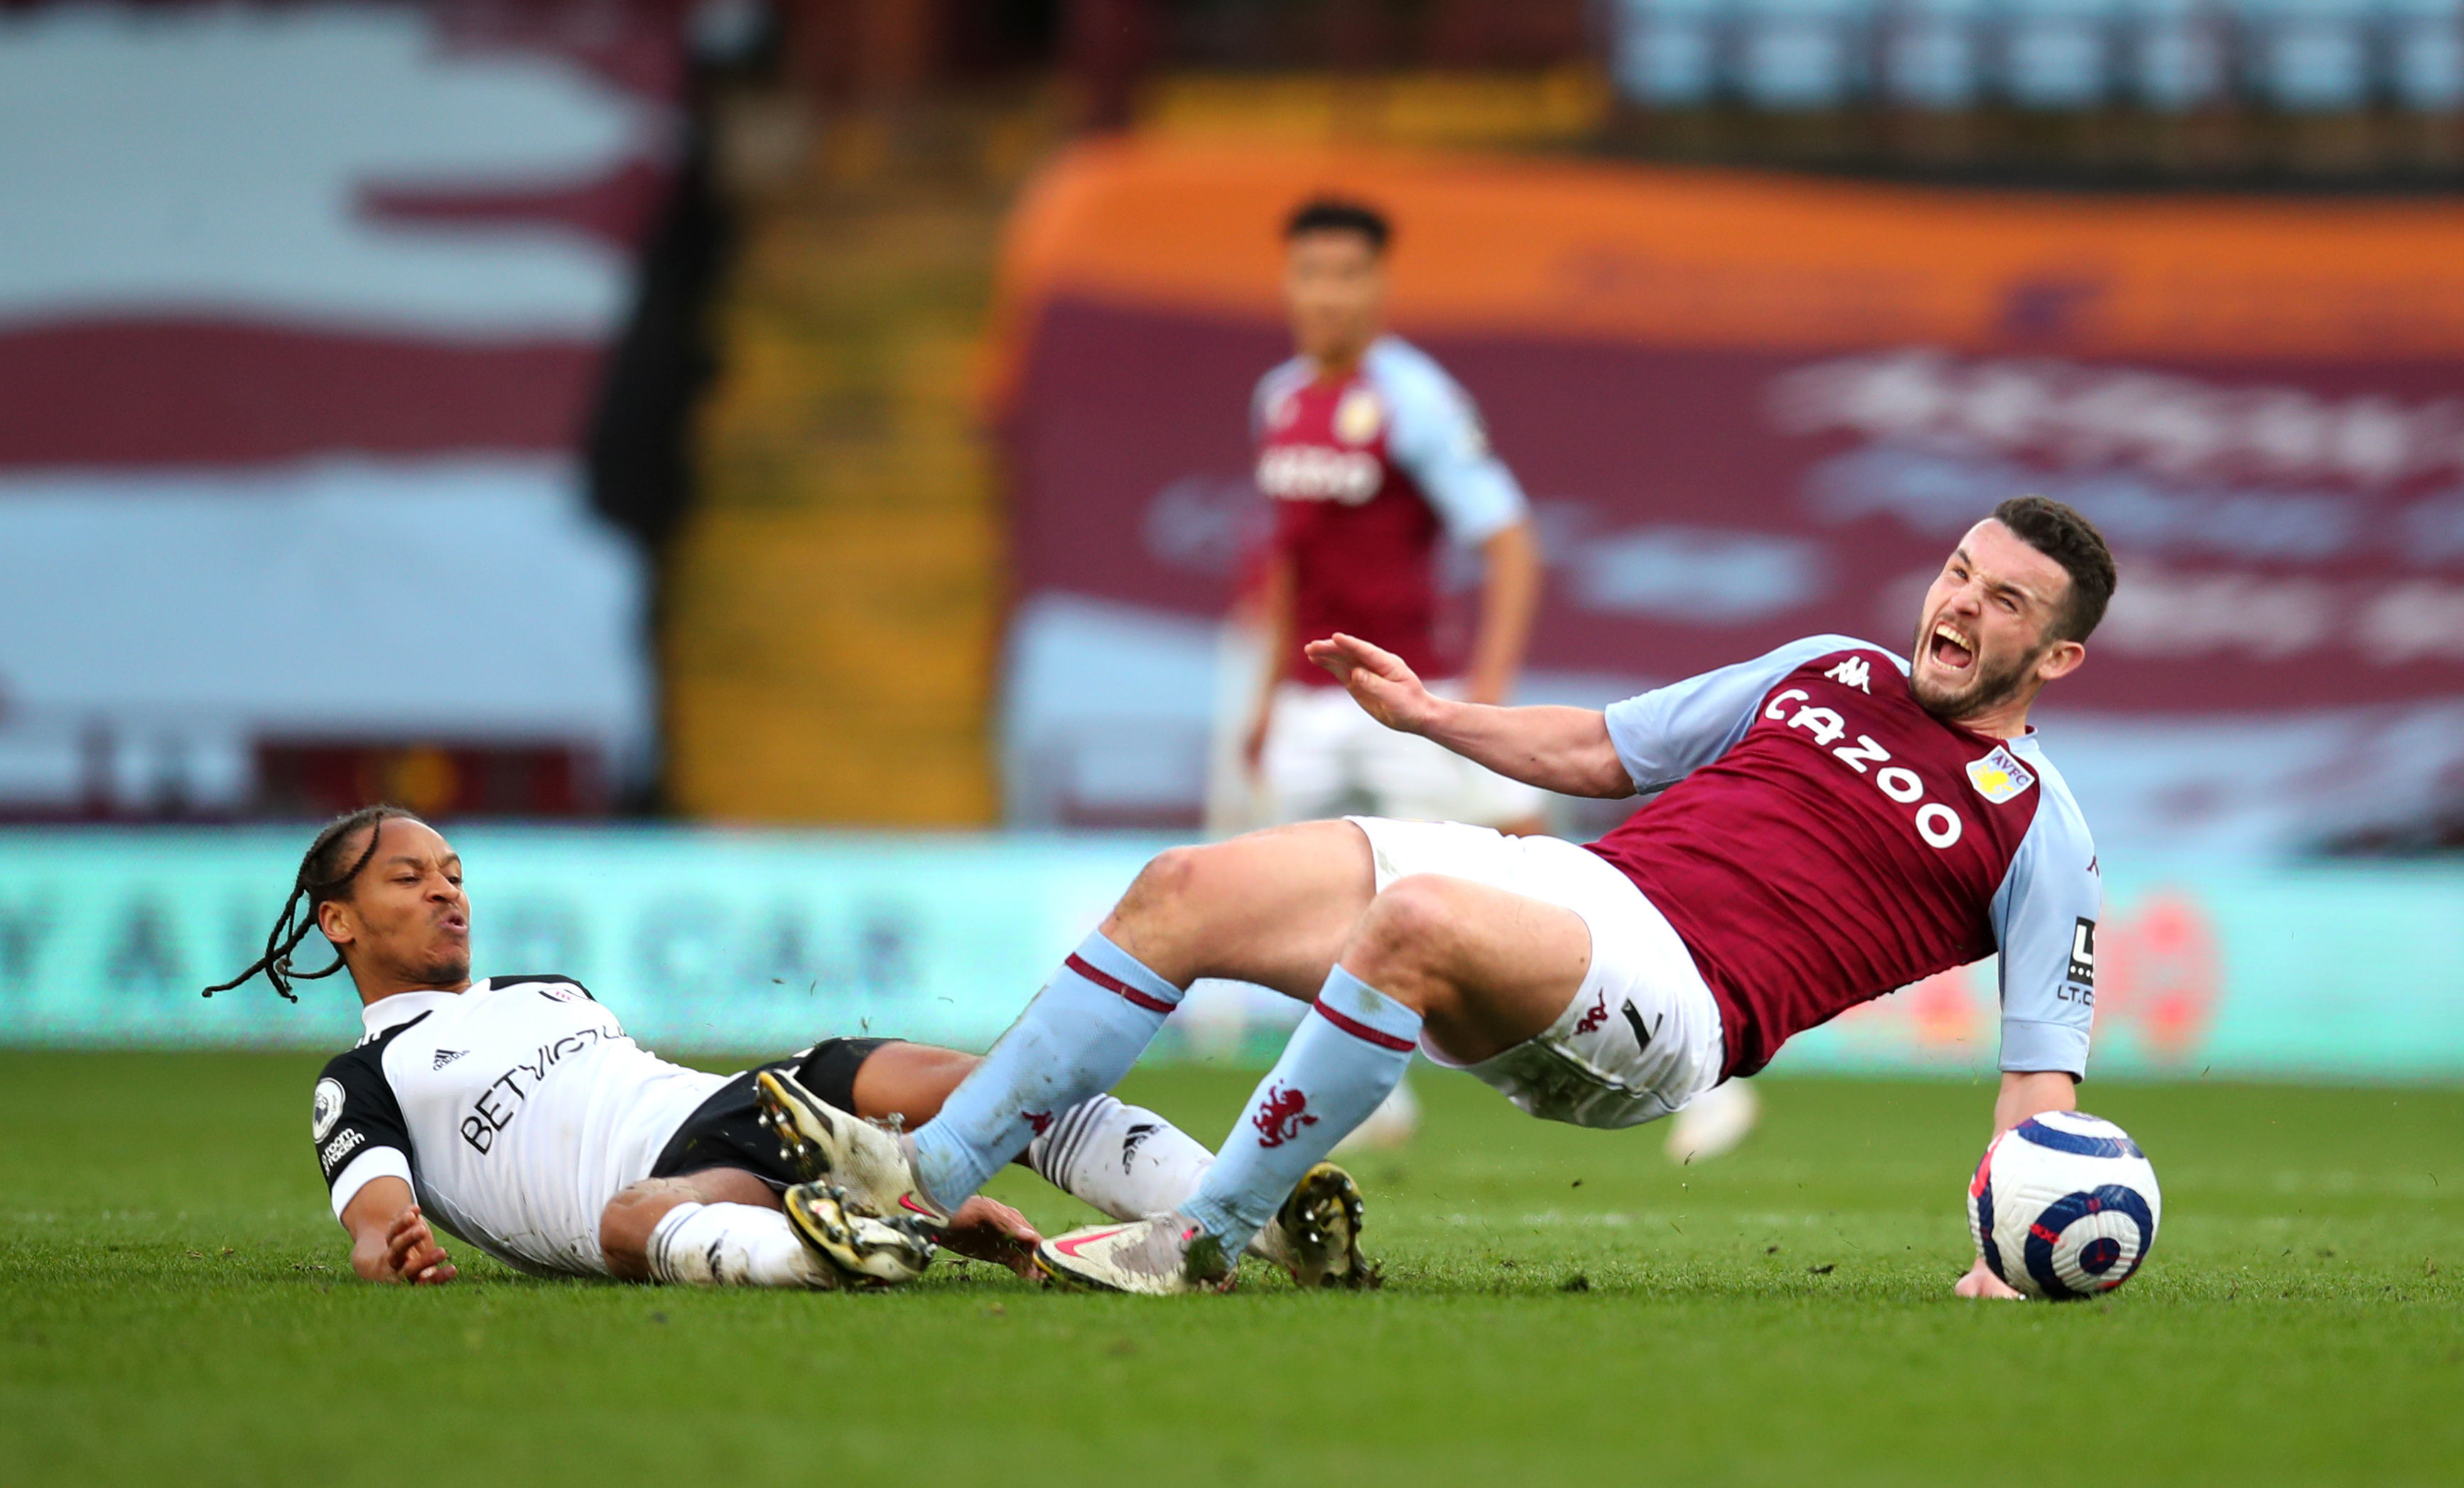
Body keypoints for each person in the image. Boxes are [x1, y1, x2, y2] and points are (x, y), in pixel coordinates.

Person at [761, 496, 2114, 1298]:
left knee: (1407, 928)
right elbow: (1599, 751)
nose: (1959, 605)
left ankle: (1203, 1238)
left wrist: (2005, 1252)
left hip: (1681, 1008)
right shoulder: (1832, 665)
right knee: (1180, 891)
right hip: (1573, 893)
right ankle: (925, 1187)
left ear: (2055, 655)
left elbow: (2037, 1080)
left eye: (2002, 603)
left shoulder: (2043, 831)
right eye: (1956, 573)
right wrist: (1426, 717)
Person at [207, 808, 1369, 1289]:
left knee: (992, 1087)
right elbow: (371, 1217)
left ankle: (1252, 1219)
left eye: (455, 874)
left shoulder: (547, 989)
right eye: (410, 880)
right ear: (339, 921)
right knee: (630, 1222)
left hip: (755, 1103)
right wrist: (390, 1249)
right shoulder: (360, 1080)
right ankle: (841, 1246)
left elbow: (633, 1084)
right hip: (664, 1190)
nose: (448, 894)